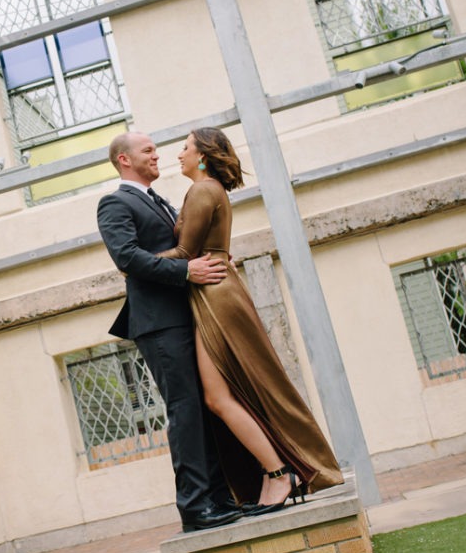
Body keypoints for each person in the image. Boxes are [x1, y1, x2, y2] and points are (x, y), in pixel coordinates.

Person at [155, 127, 343, 514]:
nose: (179, 155)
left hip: (216, 296)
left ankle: (279, 473)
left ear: (204, 156)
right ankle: (274, 472)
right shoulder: (207, 191)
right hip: (215, 291)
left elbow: (187, 251)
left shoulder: (203, 190)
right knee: (225, 395)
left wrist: (134, 265)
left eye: (185, 148)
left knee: (218, 398)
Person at [97, 131, 241, 532]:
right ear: (124, 160)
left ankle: (218, 495)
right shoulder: (114, 202)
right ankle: (195, 508)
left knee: (203, 405)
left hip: (187, 315)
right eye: (148, 150)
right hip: (158, 322)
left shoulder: (158, 200)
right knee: (185, 408)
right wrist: (185, 270)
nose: (157, 155)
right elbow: (126, 257)